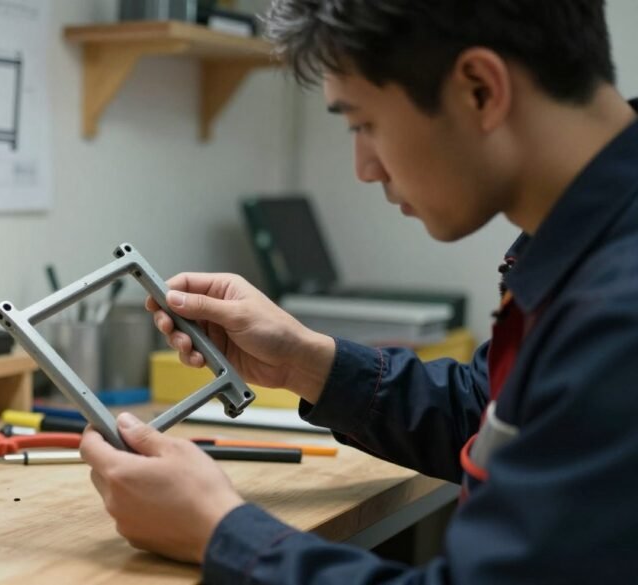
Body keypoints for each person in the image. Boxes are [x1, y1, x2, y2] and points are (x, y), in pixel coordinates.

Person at [79, 0, 638, 583]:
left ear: (479, 90)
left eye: (362, 123)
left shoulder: (620, 304)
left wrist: (221, 532)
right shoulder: (590, 241)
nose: (364, 168)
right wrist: (307, 362)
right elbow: (502, 417)